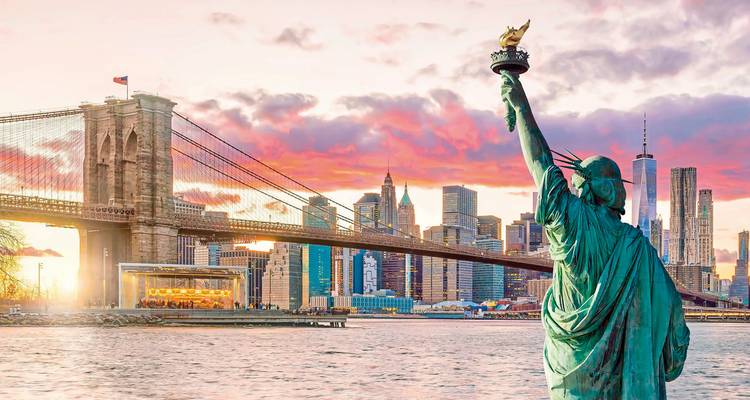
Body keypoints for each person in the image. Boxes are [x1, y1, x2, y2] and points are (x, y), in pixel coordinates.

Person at [499, 71, 690, 399]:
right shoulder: (636, 247)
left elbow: (542, 165)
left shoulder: (571, 224)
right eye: (619, 184)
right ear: (611, 190)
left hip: (570, 372)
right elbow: (672, 307)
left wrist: (521, 108)